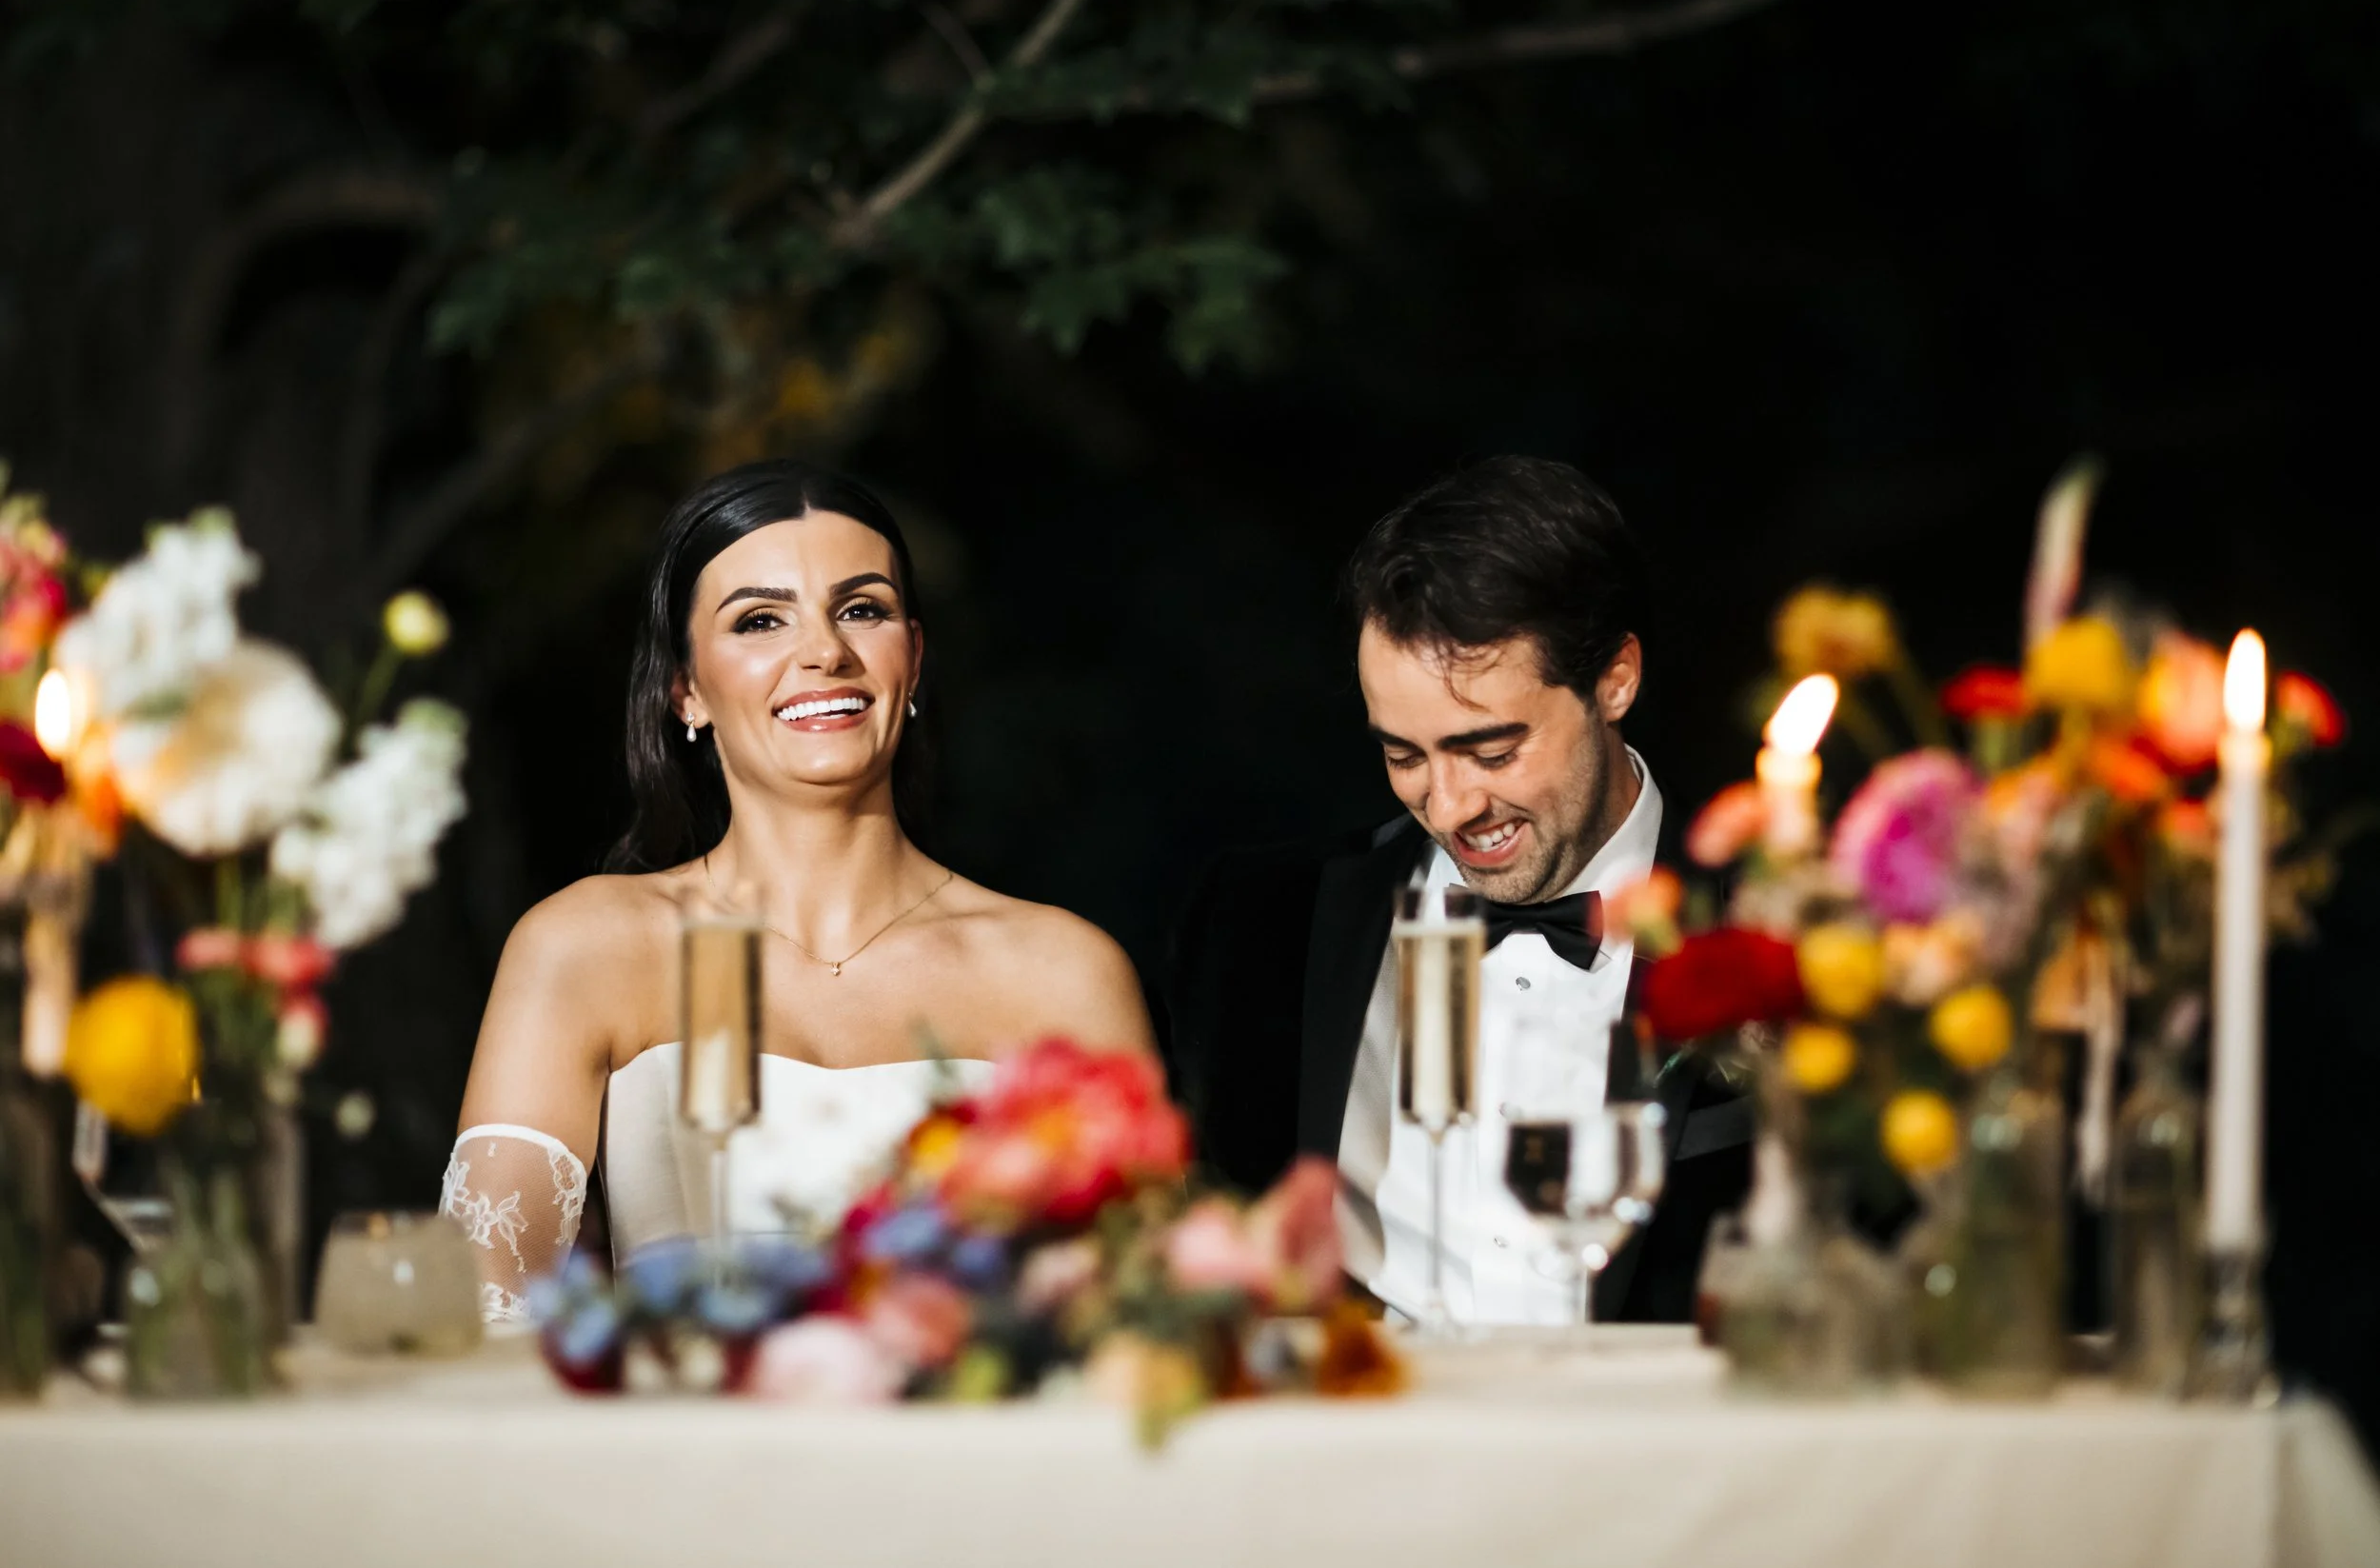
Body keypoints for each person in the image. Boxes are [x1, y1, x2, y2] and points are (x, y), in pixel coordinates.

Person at [444, 461, 1154, 1321]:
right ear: (687, 688)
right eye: (760, 619)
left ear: (915, 657)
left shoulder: (1057, 970)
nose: (824, 651)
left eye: (862, 609)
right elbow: (486, 1313)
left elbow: (1147, 1318)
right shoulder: (590, 946)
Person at [1164, 456, 1750, 1325]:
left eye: (1491, 749)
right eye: (1404, 754)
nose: (1449, 806)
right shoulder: (1259, 924)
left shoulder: (1778, 924)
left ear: (1615, 679)